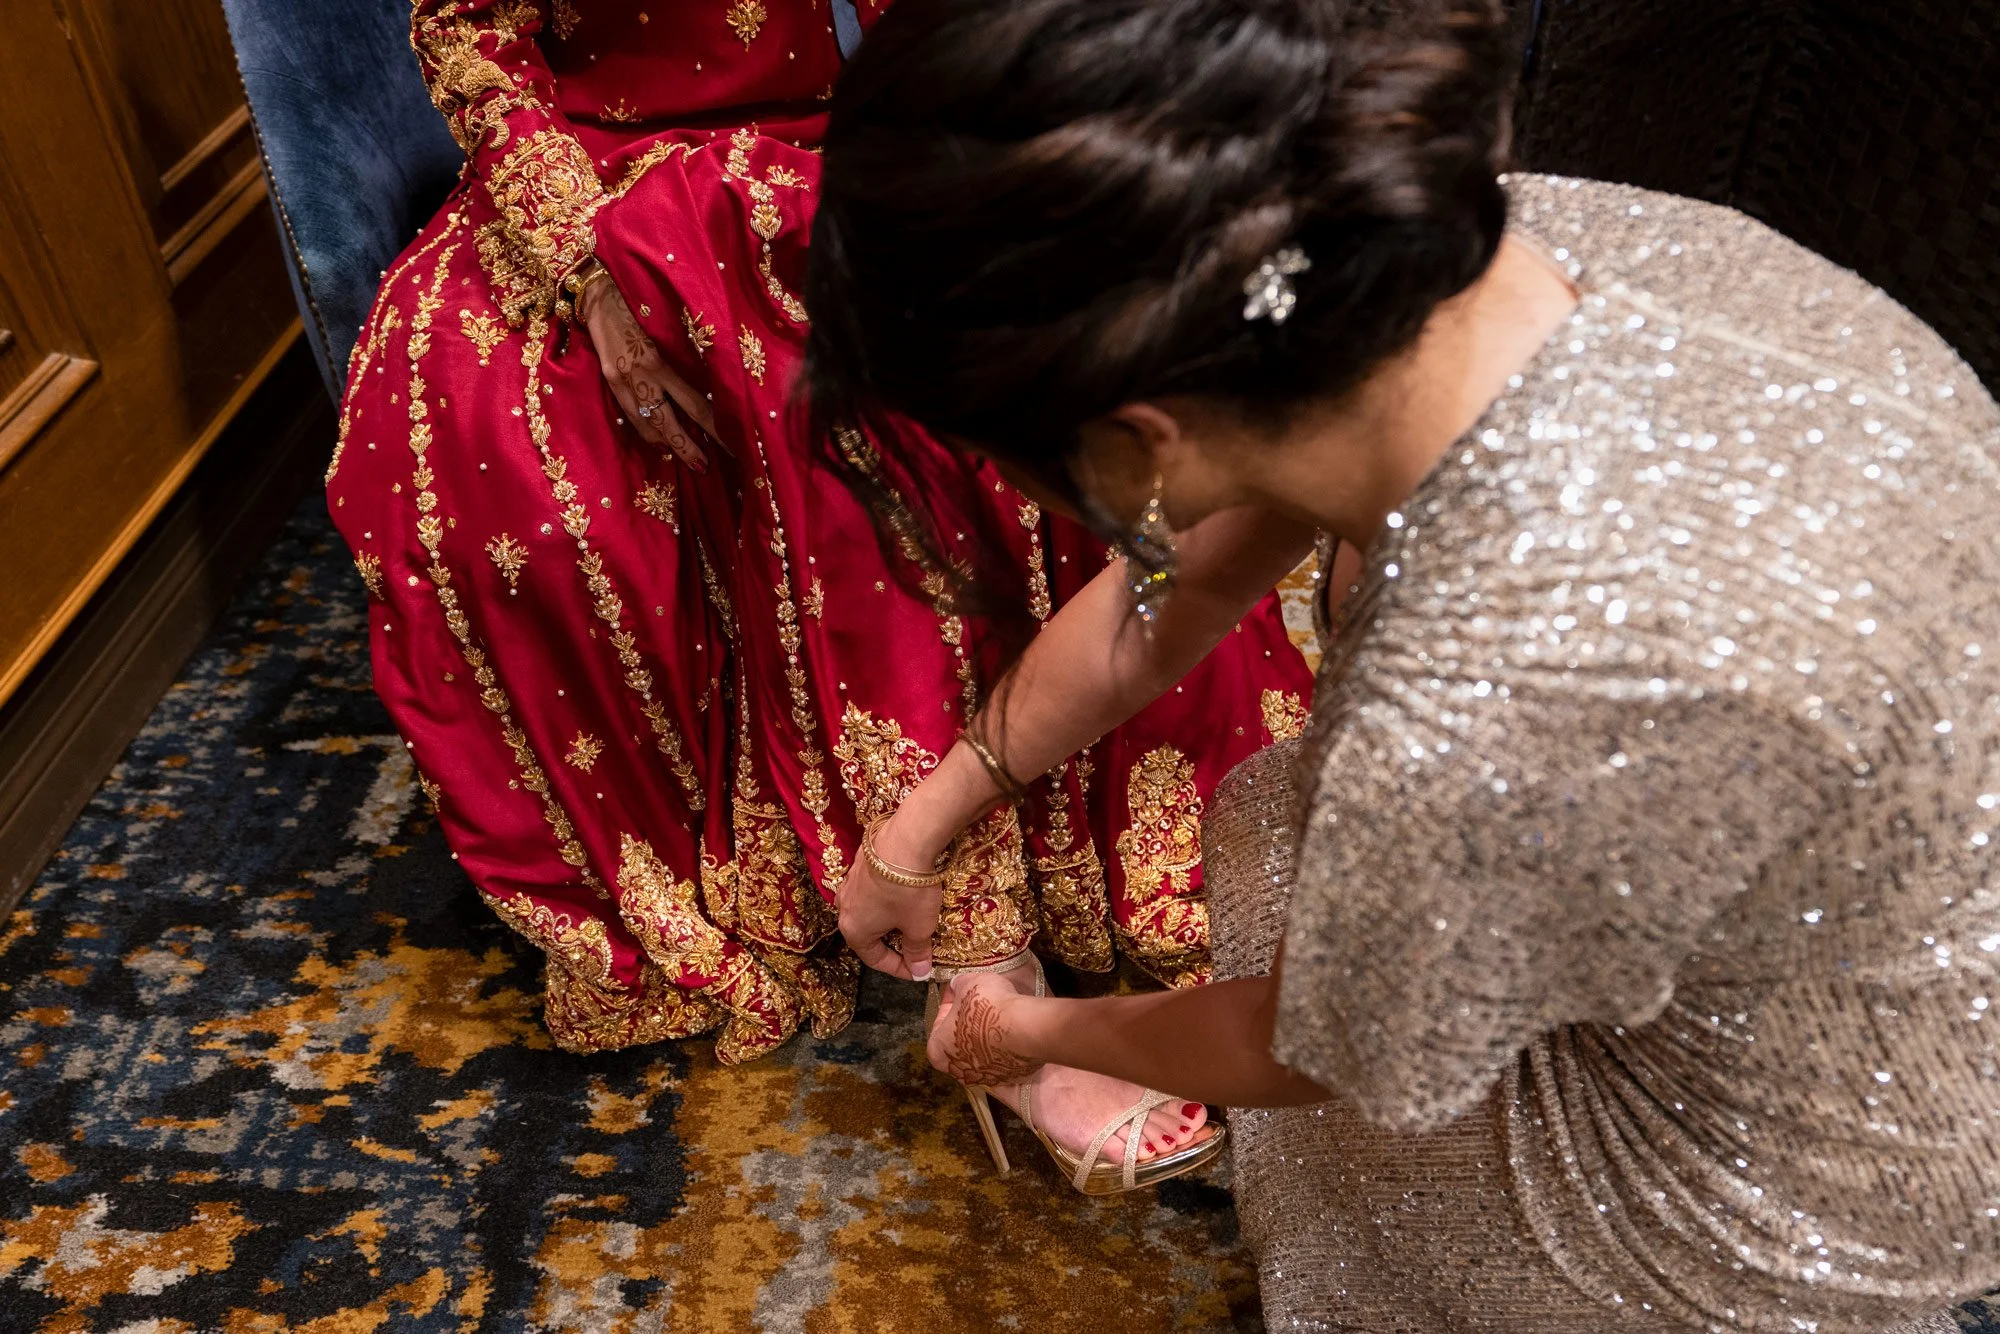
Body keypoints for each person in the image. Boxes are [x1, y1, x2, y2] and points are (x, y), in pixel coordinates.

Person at [805, 0, 2000, 1325]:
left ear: (1143, 441)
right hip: (1875, 918)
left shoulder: (1475, 711)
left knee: (1364, 1113)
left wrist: (1020, 1035)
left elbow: (1312, 1047)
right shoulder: (1469, 258)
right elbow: (1177, 585)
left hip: (1777, 1188)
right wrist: (930, 817)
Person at [326, 0, 1314, 1175]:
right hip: (587, 190)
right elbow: (469, 34)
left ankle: (1075, 920)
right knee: (706, 407)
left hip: (857, 141)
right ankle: (984, 975)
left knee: (946, 356)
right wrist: (588, 268)